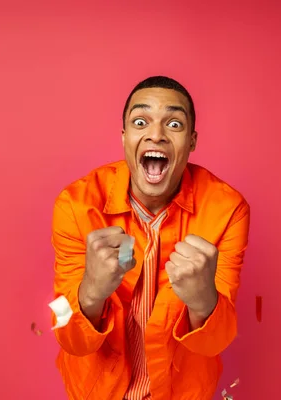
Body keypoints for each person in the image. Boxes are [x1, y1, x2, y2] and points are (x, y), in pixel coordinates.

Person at [51, 76, 250, 400]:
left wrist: (203, 300)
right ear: (125, 137)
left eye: (174, 123)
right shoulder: (75, 205)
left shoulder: (227, 210)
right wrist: (91, 292)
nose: (155, 134)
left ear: (192, 141)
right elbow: (70, 340)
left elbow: (216, 343)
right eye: (141, 121)